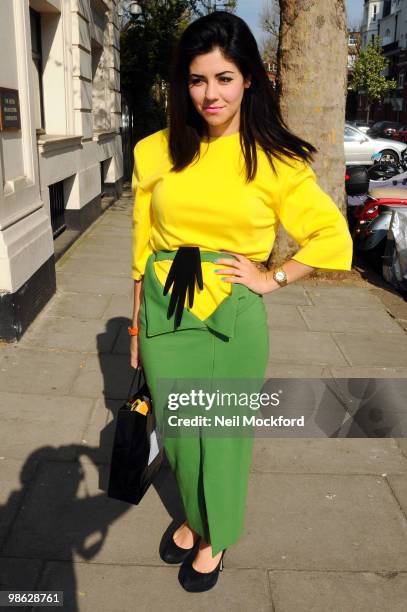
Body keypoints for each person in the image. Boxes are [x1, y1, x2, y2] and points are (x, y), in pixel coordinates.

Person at [129, 11, 353, 593]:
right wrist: (135, 324)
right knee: (179, 432)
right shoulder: (154, 151)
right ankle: (195, 516)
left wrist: (273, 277)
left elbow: (334, 239)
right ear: (183, 83)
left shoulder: (274, 159)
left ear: (249, 79)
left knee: (221, 436)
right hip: (164, 306)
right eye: (198, 79)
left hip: (231, 310)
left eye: (224, 78)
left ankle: (215, 536)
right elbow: (143, 241)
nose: (210, 93)